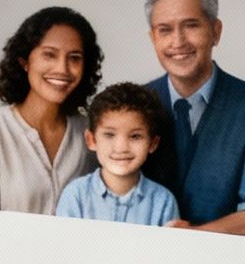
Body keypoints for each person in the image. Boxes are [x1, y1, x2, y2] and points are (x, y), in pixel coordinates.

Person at [141, 0, 245, 232]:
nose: (178, 42)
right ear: (153, 37)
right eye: (164, 29)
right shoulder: (134, 105)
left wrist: (195, 238)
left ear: (215, 31)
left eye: (191, 25)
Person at [0, 6, 102, 213]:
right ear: (25, 61)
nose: (62, 69)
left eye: (74, 58)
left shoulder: (90, 132)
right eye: (49, 55)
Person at [55, 82, 179, 226]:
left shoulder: (163, 202)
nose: (121, 148)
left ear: (152, 144)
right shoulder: (75, 195)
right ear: (91, 140)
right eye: (109, 135)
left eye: (135, 136)